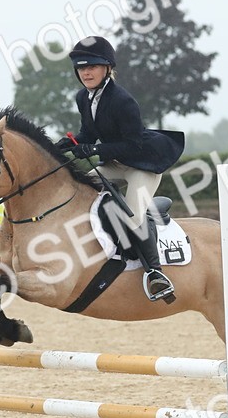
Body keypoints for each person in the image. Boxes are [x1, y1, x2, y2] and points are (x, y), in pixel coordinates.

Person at [54, 36, 184, 303]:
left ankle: (155, 274)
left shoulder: (122, 100)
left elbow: (133, 145)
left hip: (141, 164)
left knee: (132, 218)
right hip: (116, 163)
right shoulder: (83, 97)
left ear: (107, 68)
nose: (86, 72)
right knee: (78, 187)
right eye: (81, 68)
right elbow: (88, 133)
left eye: (92, 66)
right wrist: (69, 144)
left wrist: (96, 151)